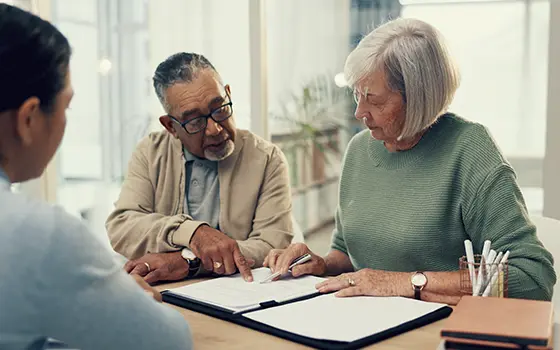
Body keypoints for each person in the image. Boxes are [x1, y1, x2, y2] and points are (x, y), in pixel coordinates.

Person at [264, 18, 556, 303]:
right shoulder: (358, 150)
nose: (359, 112)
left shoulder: (469, 150)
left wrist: (405, 282)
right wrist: (319, 264)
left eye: (374, 100)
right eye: (356, 95)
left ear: (418, 97)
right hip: (363, 325)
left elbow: (532, 277)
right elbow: (348, 252)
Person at [0, 4, 192, 349]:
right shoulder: (39, 234)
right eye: (66, 106)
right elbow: (169, 342)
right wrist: (129, 301)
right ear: (28, 119)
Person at [106, 52, 292, 284]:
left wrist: (187, 262)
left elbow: (272, 246)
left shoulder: (267, 158)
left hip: (241, 291)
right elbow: (123, 225)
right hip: (164, 291)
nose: (214, 129)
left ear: (229, 94)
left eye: (220, 108)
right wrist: (193, 233)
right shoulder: (150, 152)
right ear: (171, 126)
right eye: (195, 121)